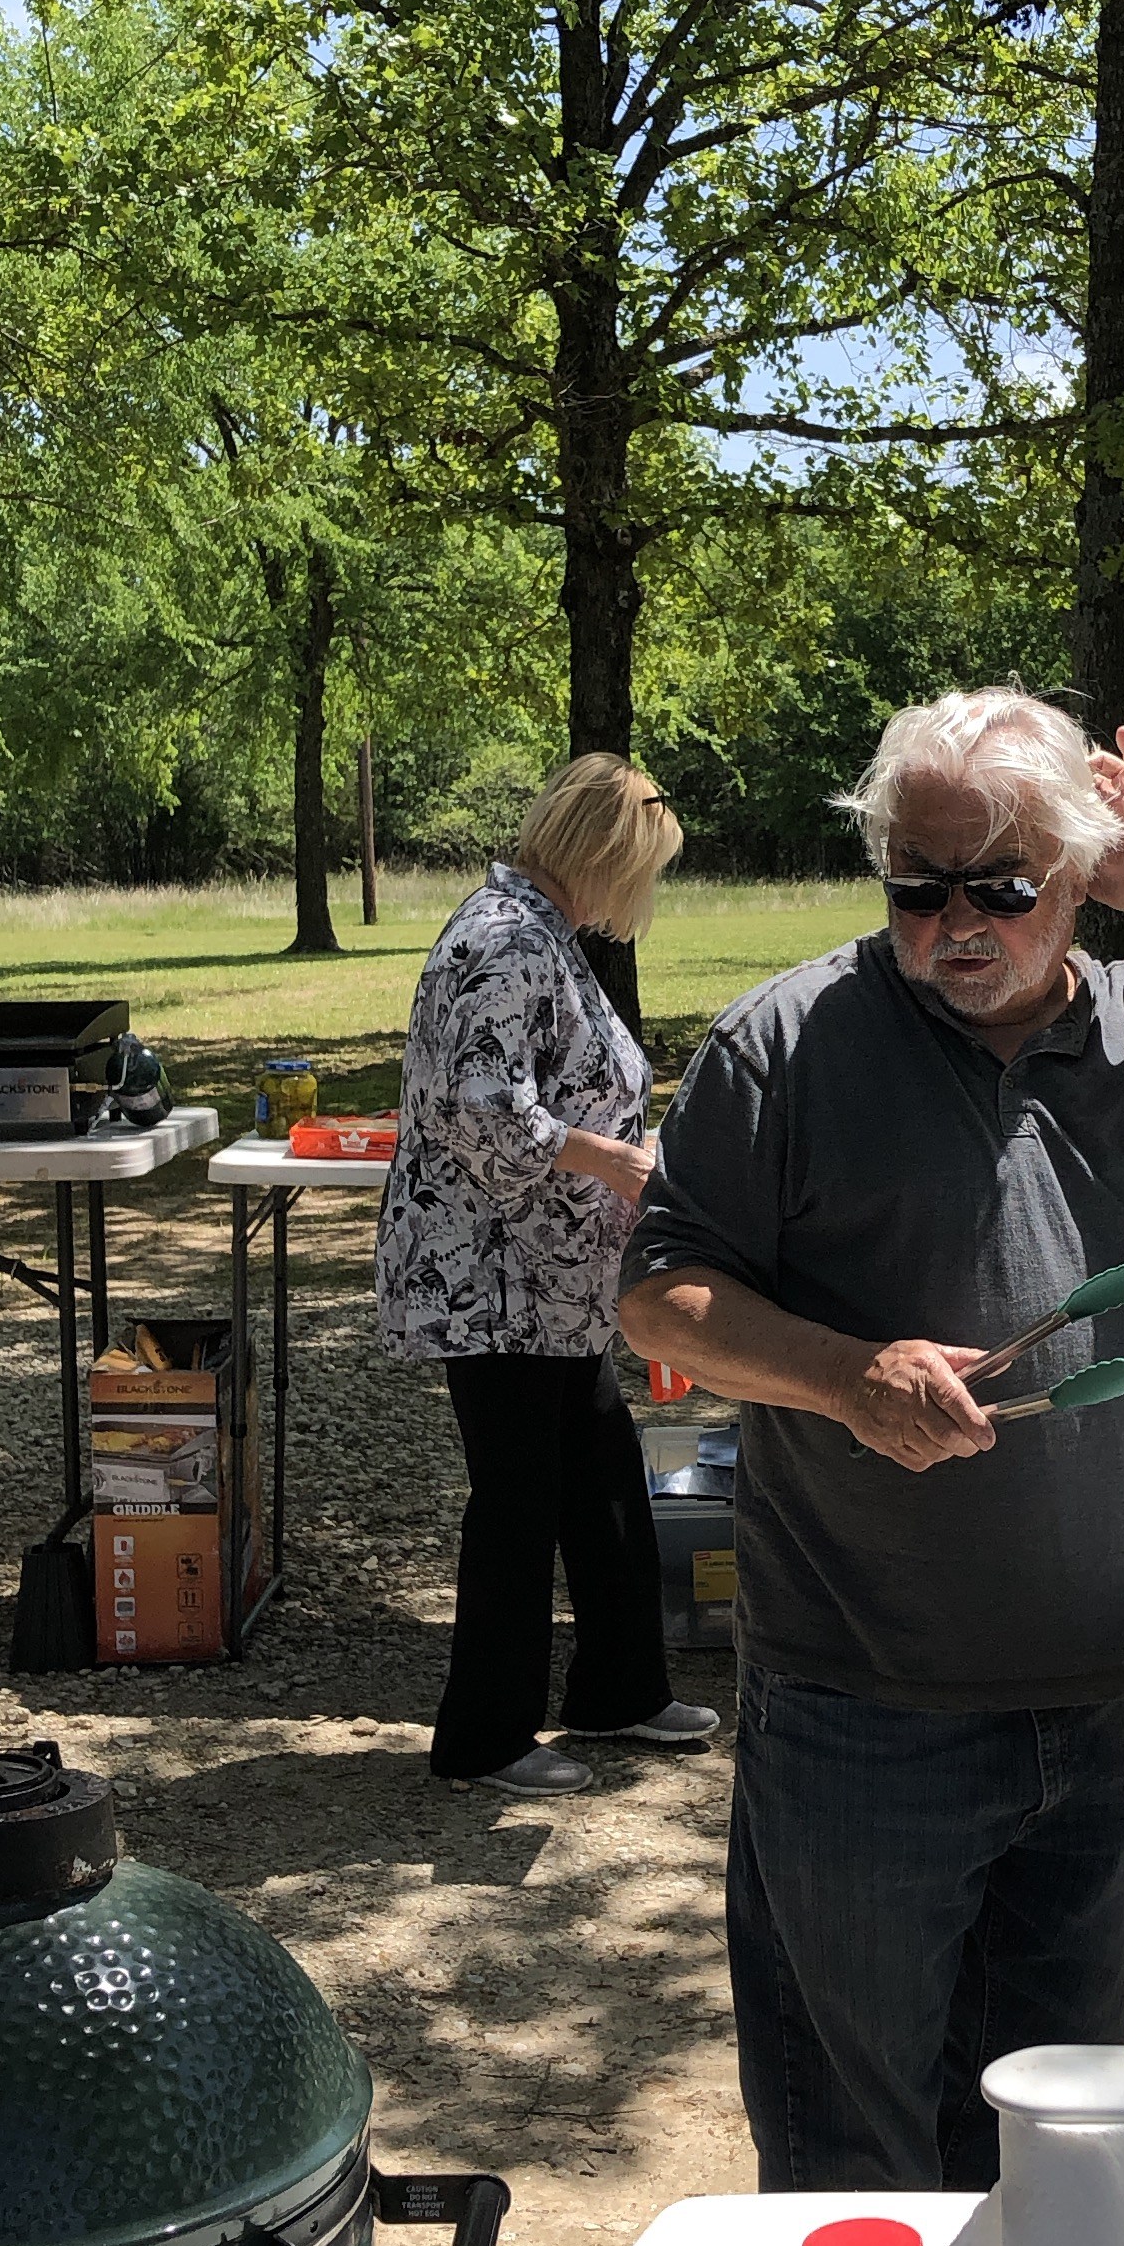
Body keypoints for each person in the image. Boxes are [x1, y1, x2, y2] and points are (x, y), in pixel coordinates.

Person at [618, 692, 1124, 2192]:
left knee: (1056, 2147)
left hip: (1102, 1703)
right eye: (918, 885)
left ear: (1079, 870)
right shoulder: (786, 1045)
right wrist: (848, 1375)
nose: (955, 923)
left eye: (1001, 883)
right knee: (854, 2155)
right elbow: (662, 1299)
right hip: (864, 1703)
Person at [376, 753, 721, 1792]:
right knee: (519, 1503)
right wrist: (615, 1158)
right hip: (494, 1278)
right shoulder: (503, 940)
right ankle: (483, 1739)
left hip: (550, 1279)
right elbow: (484, 1109)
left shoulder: (540, 934)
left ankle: (620, 1687)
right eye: (642, 871)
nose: (643, 898)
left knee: (601, 1477)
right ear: (603, 857)